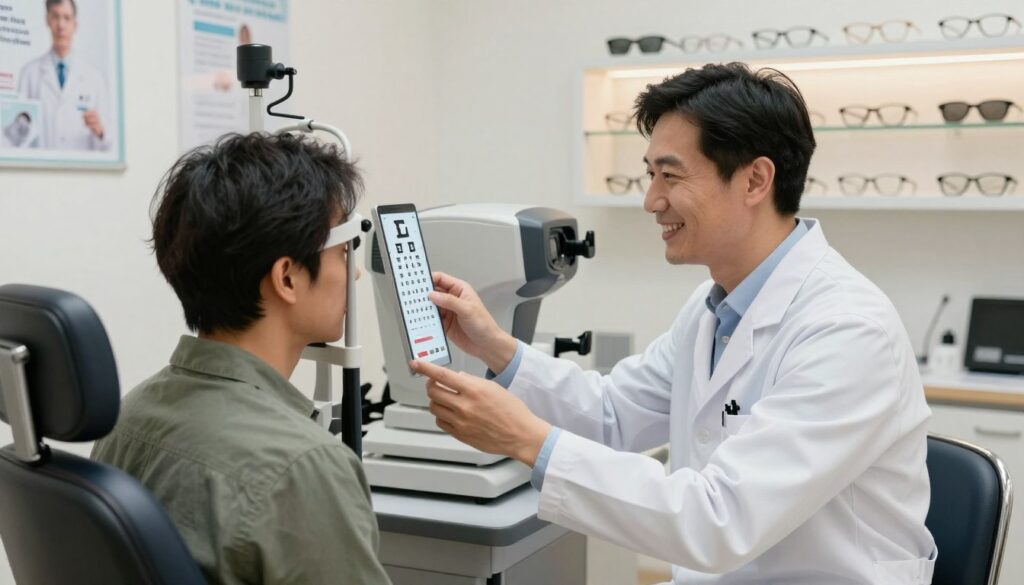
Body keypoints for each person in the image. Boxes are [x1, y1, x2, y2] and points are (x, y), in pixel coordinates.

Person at [413, 63, 937, 584]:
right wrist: (496, 348)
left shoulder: (846, 330)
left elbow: (721, 520)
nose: (651, 201)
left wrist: (527, 438)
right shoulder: (714, 309)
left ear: (755, 180)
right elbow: (614, 414)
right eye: (649, 174)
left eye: (670, 175)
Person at [92, 133, 392, 585]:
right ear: (287, 277)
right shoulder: (304, 466)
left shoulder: (127, 418)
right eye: (343, 250)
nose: (353, 272)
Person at [17, 0, 111, 151]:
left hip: (81, 171)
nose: (61, 25)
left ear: (75, 24)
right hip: (40, 170)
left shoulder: (94, 78)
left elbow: (108, 144)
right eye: (55, 17)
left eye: (67, 18)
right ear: (47, 20)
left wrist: (100, 132)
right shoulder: (29, 73)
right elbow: (20, 139)